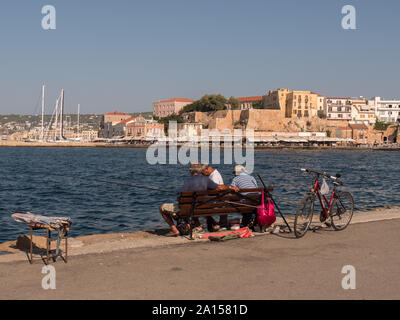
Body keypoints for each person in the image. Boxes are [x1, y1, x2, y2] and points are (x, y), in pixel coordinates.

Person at [159, 163, 233, 236]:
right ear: (200, 171)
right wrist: (229, 187)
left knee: (162, 207)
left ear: (190, 171)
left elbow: (180, 198)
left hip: (191, 208)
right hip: (203, 207)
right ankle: (212, 225)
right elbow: (220, 188)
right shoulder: (206, 179)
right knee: (197, 205)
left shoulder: (187, 182)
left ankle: (174, 229)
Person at [201, 164, 227, 231]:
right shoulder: (215, 174)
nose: (203, 174)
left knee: (201, 207)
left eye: (202, 172)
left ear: (206, 169)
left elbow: (215, 190)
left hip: (217, 202)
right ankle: (217, 225)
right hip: (221, 201)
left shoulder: (214, 176)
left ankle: (213, 226)